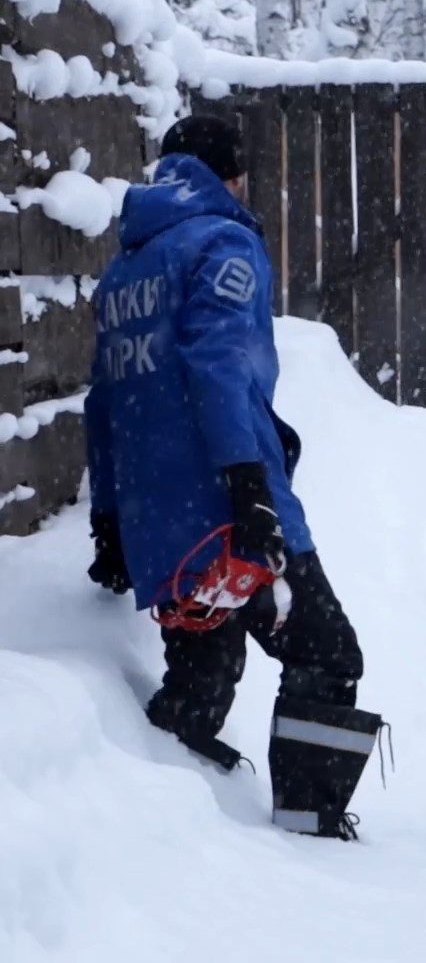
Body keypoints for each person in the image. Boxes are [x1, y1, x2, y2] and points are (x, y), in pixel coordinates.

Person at [83, 115, 382, 842]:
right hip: (226, 504)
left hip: (162, 523)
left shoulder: (126, 268)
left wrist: (111, 521)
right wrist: (250, 486)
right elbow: (217, 364)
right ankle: (312, 829)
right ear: (232, 176)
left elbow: (104, 400)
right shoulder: (223, 242)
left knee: (201, 676)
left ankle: (170, 827)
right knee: (327, 652)